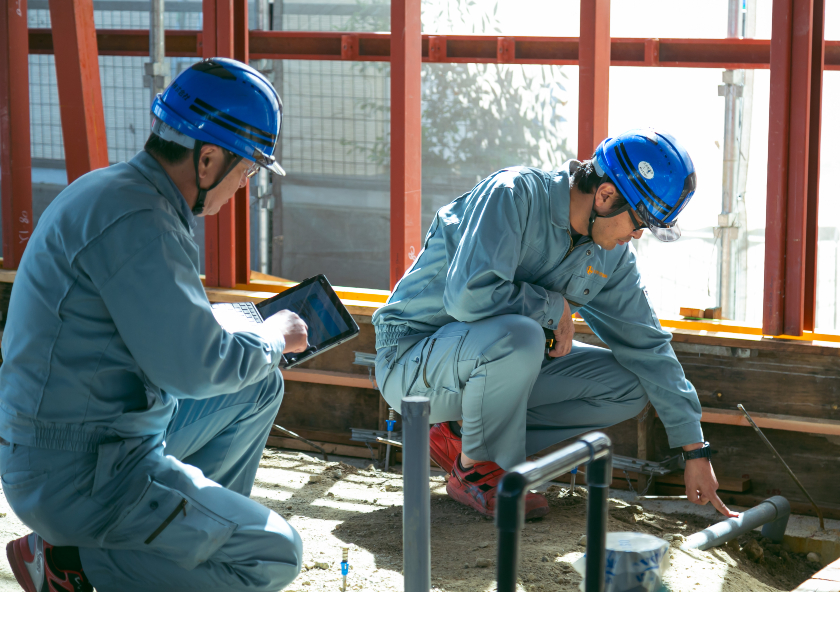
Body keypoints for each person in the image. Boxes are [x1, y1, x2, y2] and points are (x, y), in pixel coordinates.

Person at [1, 58, 308, 592]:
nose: (246, 184)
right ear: (208, 159)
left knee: (257, 387)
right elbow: (193, 370)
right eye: (249, 168)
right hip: (79, 471)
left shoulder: (114, 191)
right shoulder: (143, 223)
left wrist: (236, 338)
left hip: (68, 439)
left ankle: (173, 538)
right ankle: (72, 566)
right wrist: (272, 335)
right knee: (273, 556)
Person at [373, 128, 737, 521]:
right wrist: (550, 305)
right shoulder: (513, 195)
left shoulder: (609, 256)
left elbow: (647, 345)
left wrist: (694, 449)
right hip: (411, 360)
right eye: (639, 222)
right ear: (605, 196)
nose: (636, 236)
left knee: (630, 386)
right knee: (523, 335)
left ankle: (463, 439)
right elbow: (467, 297)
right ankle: (478, 469)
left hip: (487, 362)